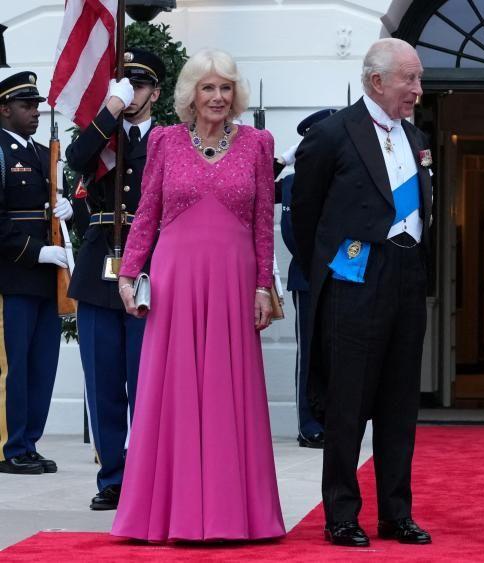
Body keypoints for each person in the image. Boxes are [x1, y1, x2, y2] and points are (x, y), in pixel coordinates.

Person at [110, 49, 285, 541]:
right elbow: (146, 213)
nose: (217, 97)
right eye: (208, 87)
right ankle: (168, 513)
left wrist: (262, 288)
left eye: (225, 88)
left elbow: (262, 225)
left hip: (233, 281)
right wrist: (128, 276)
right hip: (175, 280)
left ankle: (236, 514)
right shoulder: (165, 141)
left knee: (231, 392)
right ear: (190, 94)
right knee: (174, 390)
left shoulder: (257, 143)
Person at [292, 38, 433, 548]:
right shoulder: (333, 134)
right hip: (355, 279)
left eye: (418, 79)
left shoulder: (416, 134)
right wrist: (331, 268)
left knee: (400, 404)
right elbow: (304, 216)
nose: (418, 89)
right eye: (409, 79)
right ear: (377, 81)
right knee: (348, 403)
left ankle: (397, 514)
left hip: (407, 275)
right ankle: (342, 515)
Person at [63, 49, 165, 509]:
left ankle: (146, 475)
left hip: (151, 270)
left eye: (140, 85)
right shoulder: (102, 136)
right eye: (127, 84)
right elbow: (75, 157)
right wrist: (110, 110)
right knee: (103, 382)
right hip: (99, 269)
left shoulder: (168, 140)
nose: (133, 92)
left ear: (156, 93)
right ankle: (113, 478)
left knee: (147, 382)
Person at [0, 72, 72, 476]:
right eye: (26, 106)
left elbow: (65, 206)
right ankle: (11, 446)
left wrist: (69, 212)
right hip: (13, 275)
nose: (35, 113)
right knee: (16, 366)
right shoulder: (0, 153)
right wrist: (37, 251)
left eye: (37, 106)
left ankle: (30, 442)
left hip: (47, 278)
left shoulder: (45, 154)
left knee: (43, 364)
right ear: (4, 109)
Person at [273, 108, 336, 449]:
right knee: (309, 352)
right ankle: (308, 423)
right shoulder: (291, 183)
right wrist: (286, 158)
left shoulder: (341, 179)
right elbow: (255, 182)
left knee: (338, 353)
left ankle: (334, 420)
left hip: (342, 276)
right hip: (307, 279)